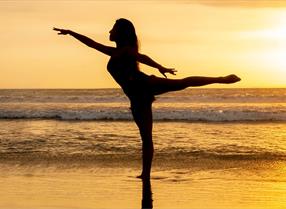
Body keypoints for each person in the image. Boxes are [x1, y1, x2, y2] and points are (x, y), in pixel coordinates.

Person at [53, 18, 240, 179]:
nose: (110, 31)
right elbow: (91, 44)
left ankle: (221, 79)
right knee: (146, 137)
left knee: (183, 83)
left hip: (144, 85)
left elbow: (142, 57)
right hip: (136, 98)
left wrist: (161, 67)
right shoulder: (115, 51)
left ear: (121, 33)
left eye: (113, 28)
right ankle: (146, 174)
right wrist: (71, 33)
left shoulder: (126, 51)